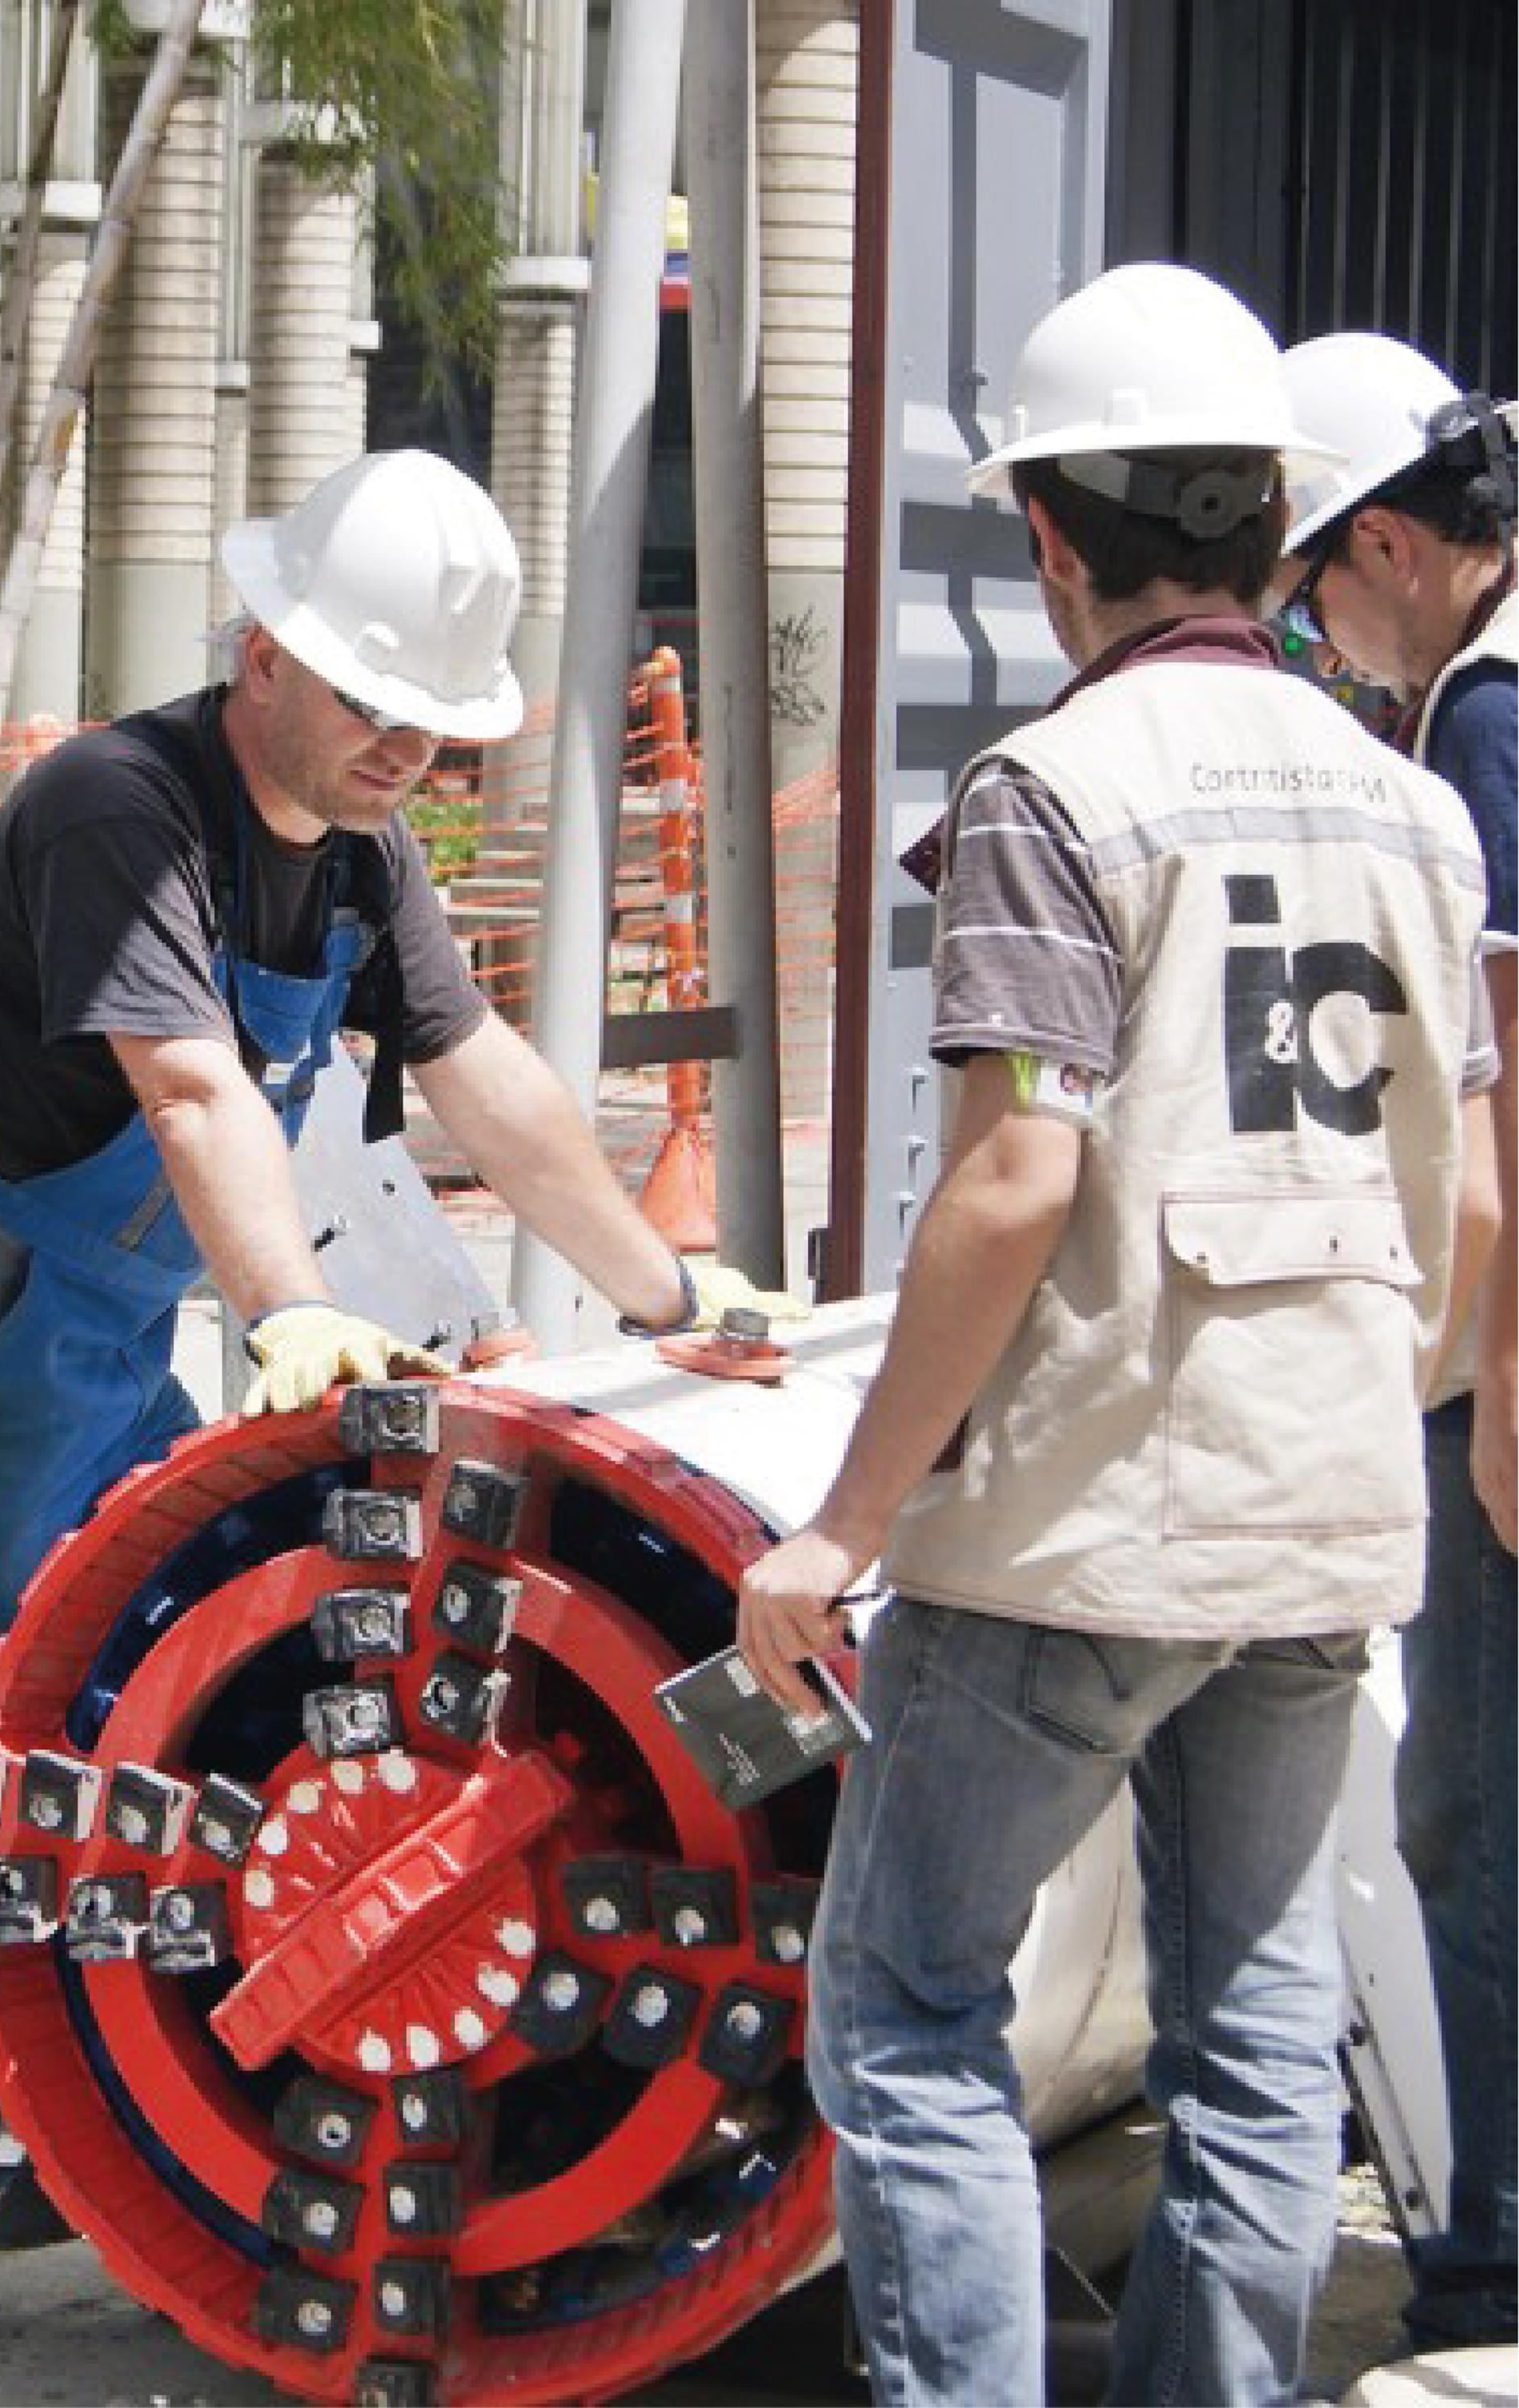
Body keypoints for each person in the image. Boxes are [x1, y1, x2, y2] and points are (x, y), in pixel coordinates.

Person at [0, 448, 770, 2334]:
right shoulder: (128, 804)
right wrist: (286, 1306)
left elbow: (487, 1077)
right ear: (265, 648)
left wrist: (670, 1290)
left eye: (438, 729)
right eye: (378, 704)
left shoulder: (361, 857)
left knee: (119, 1715)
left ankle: (55, 2118)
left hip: (90, 1341)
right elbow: (193, 1088)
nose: (407, 755)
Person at [737, 265, 1498, 2407]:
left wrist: (840, 1522)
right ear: (1272, 526)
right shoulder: (1412, 813)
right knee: (1253, 2040)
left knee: (900, 1999)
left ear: (1050, 539)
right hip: (1324, 1495)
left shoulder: (1051, 791)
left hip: (1083, 1519)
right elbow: (1462, 1180)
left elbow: (1009, 1180)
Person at [1274, 334, 1517, 2354]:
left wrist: (1497, 1384)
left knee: (1475, 1807)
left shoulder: (1491, 723)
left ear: (1380, 544)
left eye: (1303, 587)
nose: (1310, 634)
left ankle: (1496, 2251)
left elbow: (1511, 1121)